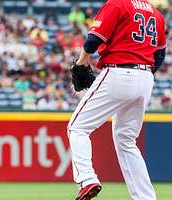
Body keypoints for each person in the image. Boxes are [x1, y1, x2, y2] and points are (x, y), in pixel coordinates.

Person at [67, 0, 166, 200]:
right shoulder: (156, 14)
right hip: (146, 77)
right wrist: (142, 76)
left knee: (77, 128)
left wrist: (80, 62)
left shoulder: (117, 4)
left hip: (119, 71)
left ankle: (87, 179)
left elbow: (92, 41)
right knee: (127, 141)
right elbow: (160, 54)